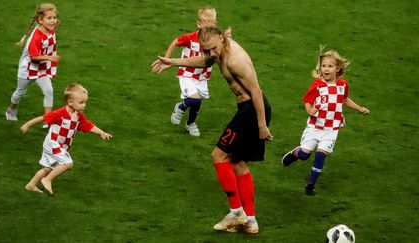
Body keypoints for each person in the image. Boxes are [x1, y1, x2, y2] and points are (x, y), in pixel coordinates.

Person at [152, 26, 273, 234]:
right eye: (206, 49)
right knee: (239, 163)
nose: (211, 54)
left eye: (212, 48)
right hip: (248, 109)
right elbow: (203, 61)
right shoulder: (218, 50)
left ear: (221, 38)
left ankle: (236, 212)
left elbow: (256, 91)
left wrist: (262, 125)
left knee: (218, 155)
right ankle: (251, 221)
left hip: (252, 110)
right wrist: (172, 62)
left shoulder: (235, 60)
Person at [281, 47, 370, 196]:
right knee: (305, 154)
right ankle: (296, 153)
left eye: (330, 66)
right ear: (320, 67)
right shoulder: (317, 85)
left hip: (331, 128)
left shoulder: (343, 85)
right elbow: (307, 102)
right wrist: (310, 111)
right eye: (324, 66)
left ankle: (310, 185)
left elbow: (345, 99)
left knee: (321, 155)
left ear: (337, 68)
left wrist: (359, 108)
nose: (326, 69)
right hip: (315, 127)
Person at [21, 83, 112, 195]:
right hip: (52, 143)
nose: (84, 105)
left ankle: (31, 185)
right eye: (81, 102)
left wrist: (101, 132)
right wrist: (27, 124)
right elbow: (43, 118)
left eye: (85, 102)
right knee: (68, 163)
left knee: (48, 168)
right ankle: (47, 180)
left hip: (61, 146)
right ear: (70, 102)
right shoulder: (60, 113)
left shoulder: (79, 116)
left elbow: (88, 125)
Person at [163, 6, 229, 136]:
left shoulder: (215, 41)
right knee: (195, 99)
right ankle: (180, 107)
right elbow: (175, 42)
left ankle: (190, 123)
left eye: (212, 25)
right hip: (187, 74)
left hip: (202, 76)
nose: (208, 28)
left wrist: (227, 37)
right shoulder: (191, 37)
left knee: (197, 104)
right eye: (206, 24)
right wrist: (167, 59)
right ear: (198, 24)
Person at [5, 3, 60, 129]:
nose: (53, 21)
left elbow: (55, 23)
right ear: (41, 20)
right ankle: (11, 109)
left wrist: (55, 21)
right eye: (49, 18)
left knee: (49, 91)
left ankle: (48, 119)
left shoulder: (50, 27)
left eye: (54, 17)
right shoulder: (36, 37)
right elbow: (33, 56)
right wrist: (49, 57)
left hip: (41, 68)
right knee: (20, 92)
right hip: (27, 69)